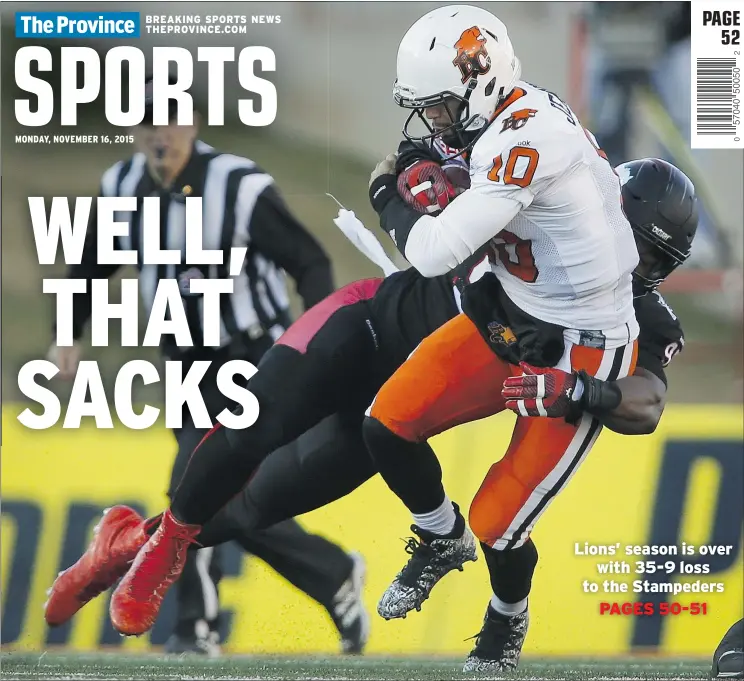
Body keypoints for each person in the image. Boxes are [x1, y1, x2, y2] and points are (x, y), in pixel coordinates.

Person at [45, 152, 701, 671]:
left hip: (396, 409)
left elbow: (648, 394)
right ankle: (145, 554)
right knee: (250, 431)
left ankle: (121, 548)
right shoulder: (532, 208)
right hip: (370, 328)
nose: (624, 263)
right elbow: (415, 168)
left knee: (250, 508)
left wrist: (586, 390)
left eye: (649, 257)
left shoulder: (632, 312)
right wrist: (410, 178)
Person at [44, 74, 369, 656]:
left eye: (168, 119)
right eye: (146, 121)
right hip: (188, 366)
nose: (158, 132)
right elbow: (90, 264)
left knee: (200, 495)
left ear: (192, 121)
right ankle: (328, 576)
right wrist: (67, 336)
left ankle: (200, 627)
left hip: (258, 358)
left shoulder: (238, 186)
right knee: (210, 500)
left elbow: (310, 262)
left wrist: (315, 345)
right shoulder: (121, 185)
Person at [359, 3, 638, 634]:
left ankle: (508, 616)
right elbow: (463, 178)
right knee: (386, 425)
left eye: (440, 107)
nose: (432, 122)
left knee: (499, 524)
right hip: (511, 313)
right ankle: (438, 539)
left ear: (480, 84)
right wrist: (436, 175)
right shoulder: (503, 115)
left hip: (578, 343)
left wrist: (388, 197)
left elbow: (433, 255)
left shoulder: (528, 137)